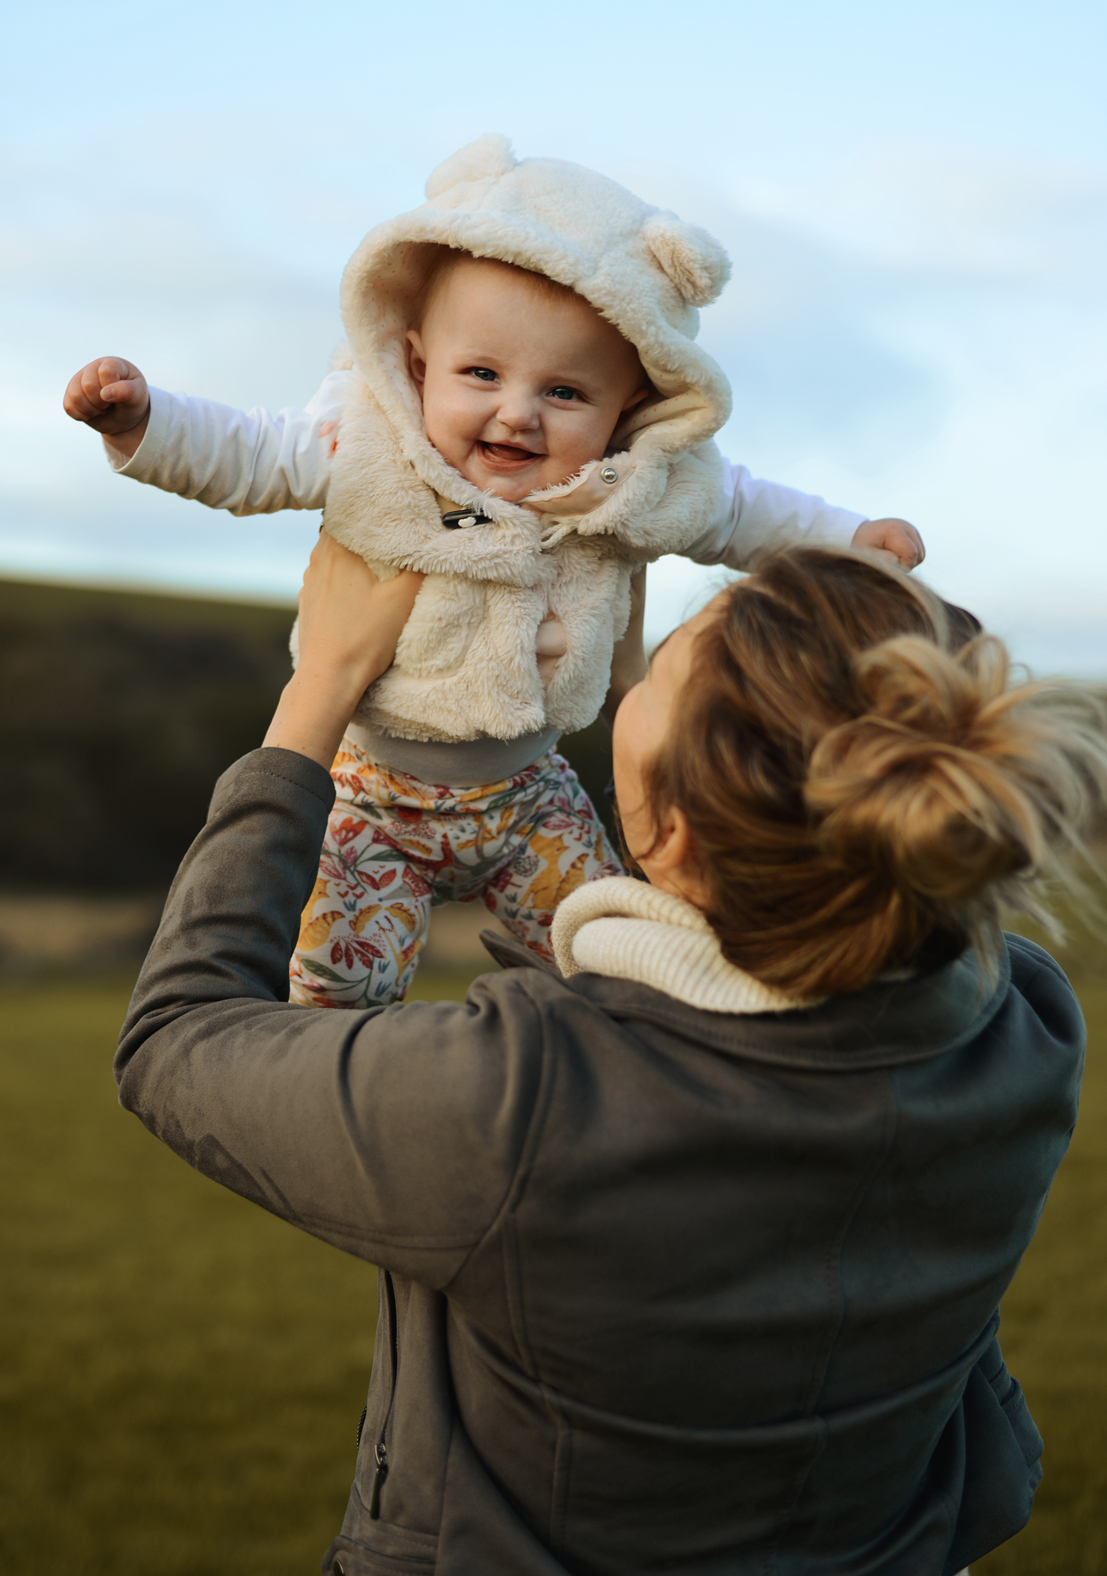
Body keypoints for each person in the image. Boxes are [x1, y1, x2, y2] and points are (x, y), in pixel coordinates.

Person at [116, 534, 1104, 1575]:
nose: (630, 674)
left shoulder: (522, 1102)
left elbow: (176, 1037)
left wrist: (317, 688)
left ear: (669, 836)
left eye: (660, 666)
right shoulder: (1024, 1025)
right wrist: (817, 650)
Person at [66, 135, 925, 1008]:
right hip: (369, 800)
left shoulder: (629, 488)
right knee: (332, 1003)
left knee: (630, 976)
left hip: (531, 797)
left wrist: (853, 539)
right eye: (481, 373)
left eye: (565, 393)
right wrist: (143, 423)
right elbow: (252, 455)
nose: (517, 414)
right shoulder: (366, 443)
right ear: (414, 365)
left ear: (627, 407)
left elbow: (746, 512)